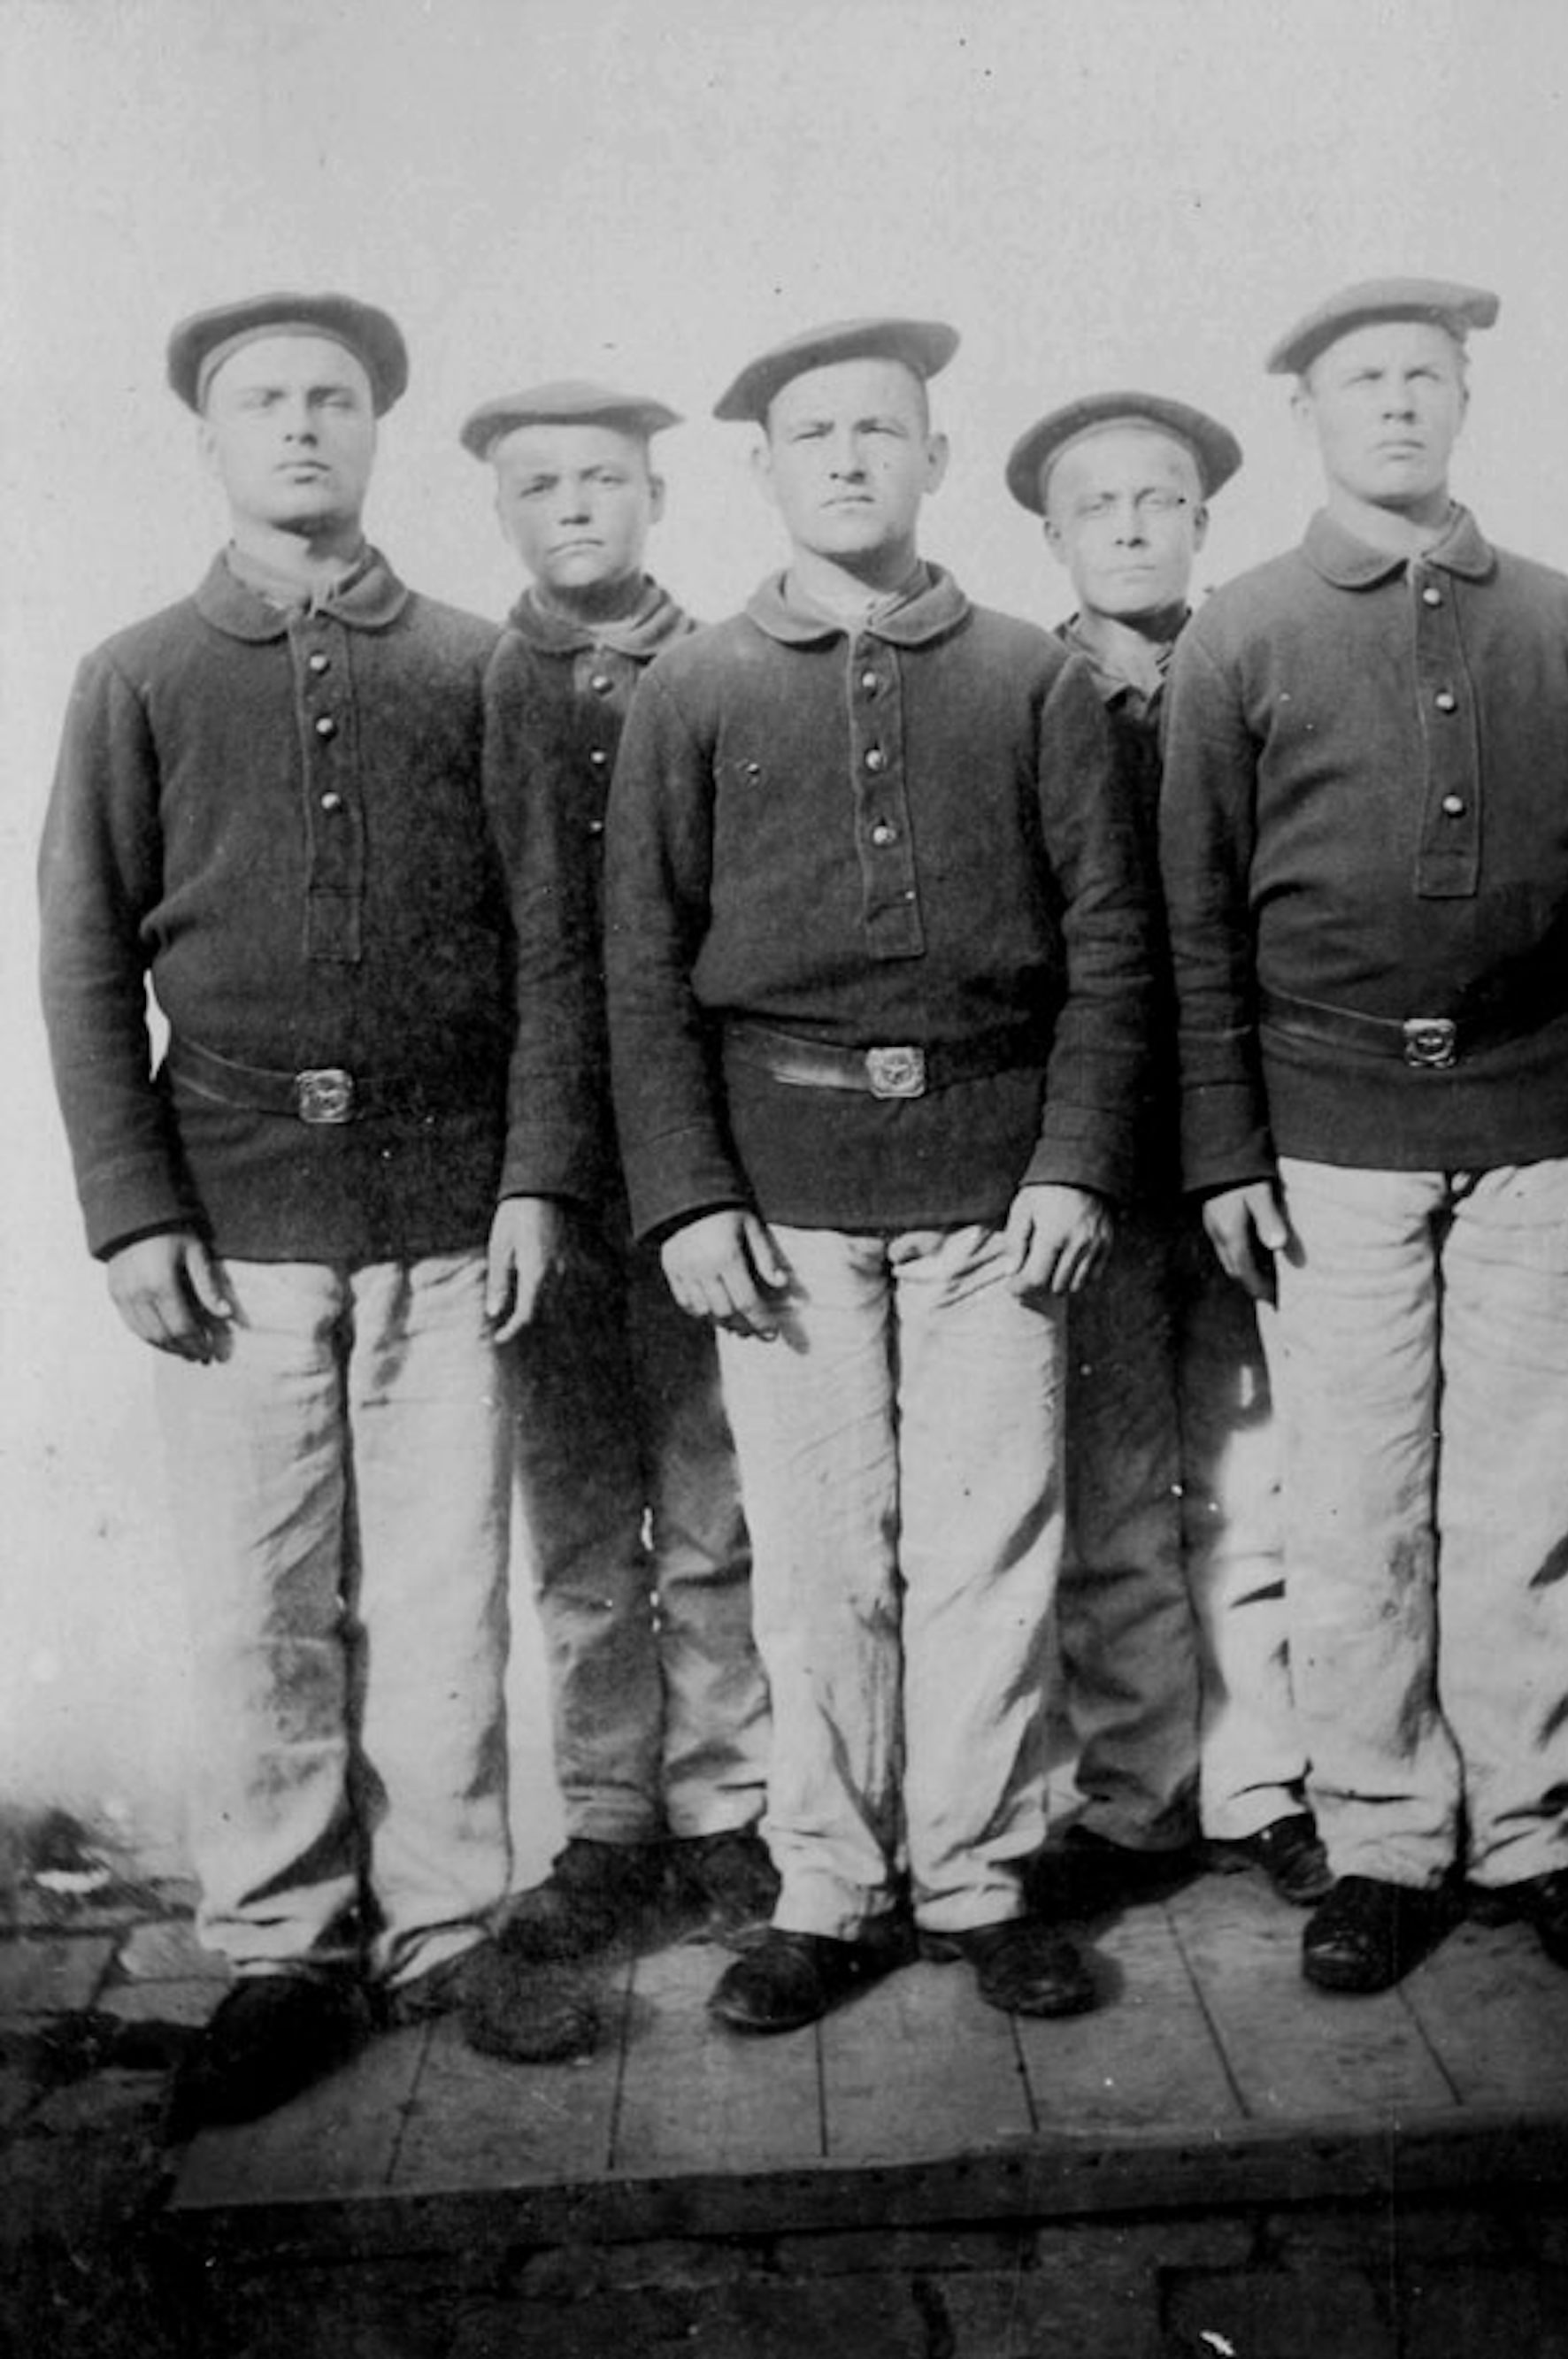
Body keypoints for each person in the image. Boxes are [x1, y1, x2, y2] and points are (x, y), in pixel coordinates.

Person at [38, 292, 601, 2129]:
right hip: (233, 1217)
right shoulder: (136, 674)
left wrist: (532, 1179)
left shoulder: (474, 663)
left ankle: (446, 1926)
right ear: (205, 437)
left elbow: (552, 948)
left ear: (377, 433)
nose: (300, 427)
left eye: (335, 399)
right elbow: (76, 957)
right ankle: (289, 1938)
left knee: (443, 1585)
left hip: (448, 1207)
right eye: (262, 401)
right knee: (262, 1595)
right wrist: (133, 1210)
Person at [603, 316, 1154, 2031]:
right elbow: (639, 964)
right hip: (779, 1201)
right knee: (820, 1553)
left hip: (1004, 1198)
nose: (846, 458)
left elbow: (1114, 946)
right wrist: (691, 1197)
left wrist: (1070, 1167)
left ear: (929, 457)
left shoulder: (1030, 679)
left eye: (879, 431)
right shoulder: (693, 688)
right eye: (812, 434)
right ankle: (832, 1889)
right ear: (766, 470)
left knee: (992, 1543)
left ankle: (983, 1875)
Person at [1160, 277, 1568, 1994]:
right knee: (1359, 1492)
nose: (1395, 403)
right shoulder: (1243, 631)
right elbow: (1191, 928)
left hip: (1537, 1122)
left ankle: (1532, 1823)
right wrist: (1228, 1149)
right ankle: (1384, 1832)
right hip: (1328, 1135)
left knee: (1528, 1486)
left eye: (1424, 378)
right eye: (1360, 380)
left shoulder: (1562, 619)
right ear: (1308, 413)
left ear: (1464, 401)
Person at [1004, 392, 1328, 1917]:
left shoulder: (1260, 669)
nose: (1132, 526)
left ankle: (1267, 1777)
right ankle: (1136, 1791)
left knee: (1253, 1469)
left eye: (1162, 500)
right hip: (1095, 1158)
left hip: (1251, 1137)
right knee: (1115, 1480)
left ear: (1205, 520)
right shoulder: (1011, 692)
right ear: (1051, 536)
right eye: (1099, 506)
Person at [461, 380, 772, 1961]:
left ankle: (727, 1806)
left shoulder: (726, 672)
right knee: (578, 1513)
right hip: (530, 1164)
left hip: (700, 1152)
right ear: (501, 511)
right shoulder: (477, 682)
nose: (576, 505)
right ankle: (606, 1820)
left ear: (657, 492)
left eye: (605, 478)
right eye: (540, 485)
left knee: (712, 1494)